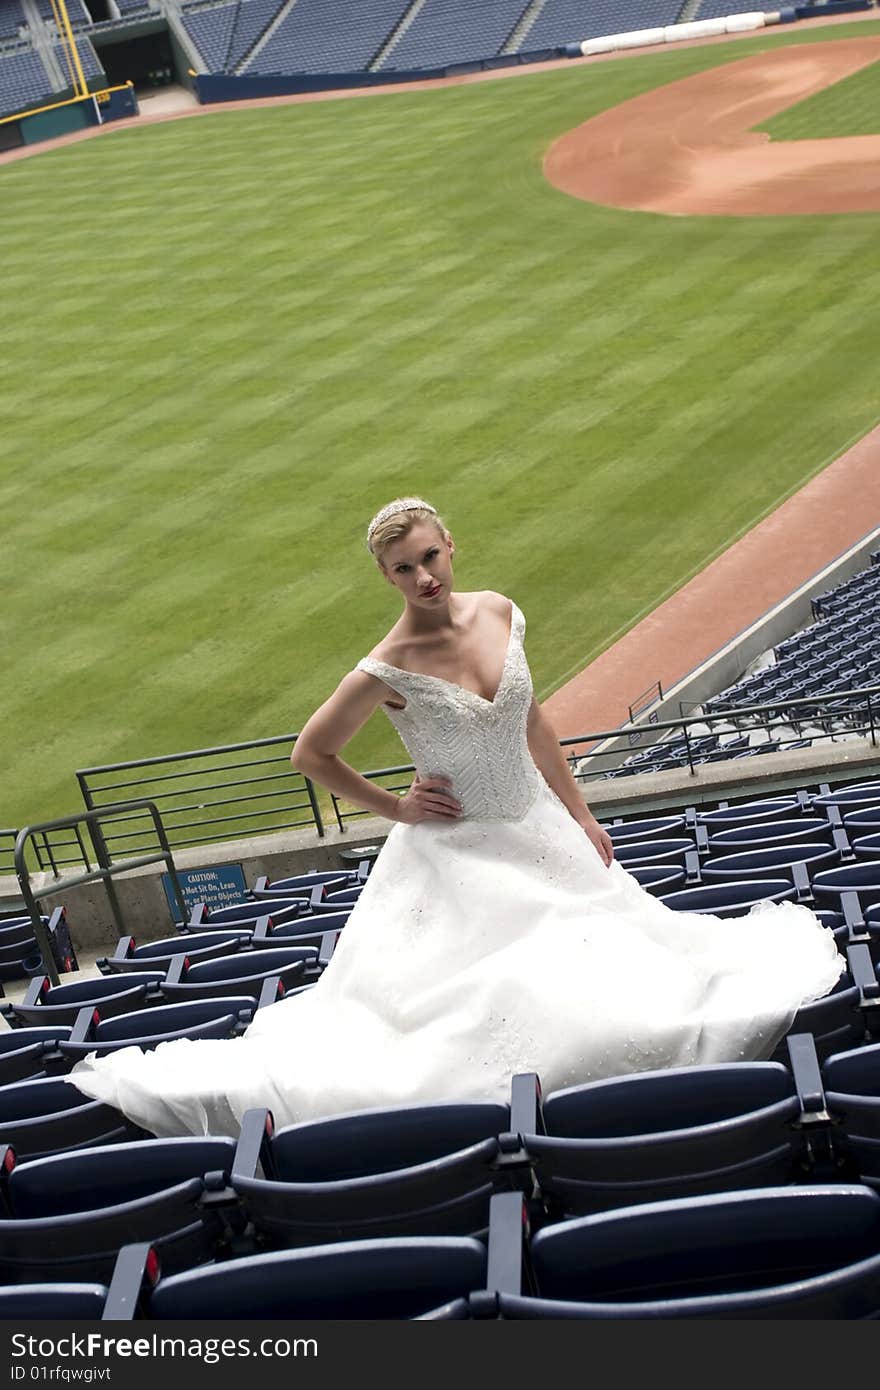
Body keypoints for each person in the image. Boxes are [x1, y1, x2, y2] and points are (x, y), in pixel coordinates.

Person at [66, 497, 844, 1138]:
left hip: (539, 827)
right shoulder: (386, 665)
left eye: (430, 558)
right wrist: (395, 806)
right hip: (458, 853)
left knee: (626, 971)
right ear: (386, 575)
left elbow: (534, 721)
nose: (422, 577)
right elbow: (313, 754)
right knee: (499, 1007)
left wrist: (582, 814)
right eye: (404, 568)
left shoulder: (503, 612)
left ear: (451, 549)